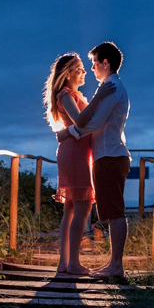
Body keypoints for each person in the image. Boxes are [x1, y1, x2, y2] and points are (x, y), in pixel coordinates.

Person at [56, 41, 130, 278]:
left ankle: (114, 265)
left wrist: (66, 132)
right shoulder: (107, 88)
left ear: (105, 63)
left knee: (111, 210)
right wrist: (69, 132)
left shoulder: (110, 87)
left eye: (94, 63)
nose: (91, 69)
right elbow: (87, 120)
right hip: (101, 154)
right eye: (84, 66)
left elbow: (93, 123)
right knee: (100, 209)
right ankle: (104, 264)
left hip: (108, 155)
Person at [43, 52, 101, 276]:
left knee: (70, 207)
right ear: (67, 74)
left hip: (77, 152)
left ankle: (64, 263)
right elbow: (80, 121)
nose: (85, 71)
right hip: (74, 153)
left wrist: (63, 133)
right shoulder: (66, 94)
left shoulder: (74, 94)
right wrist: (100, 96)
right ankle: (73, 263)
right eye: (79, 68)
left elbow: (79, 124)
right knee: (83, 206)